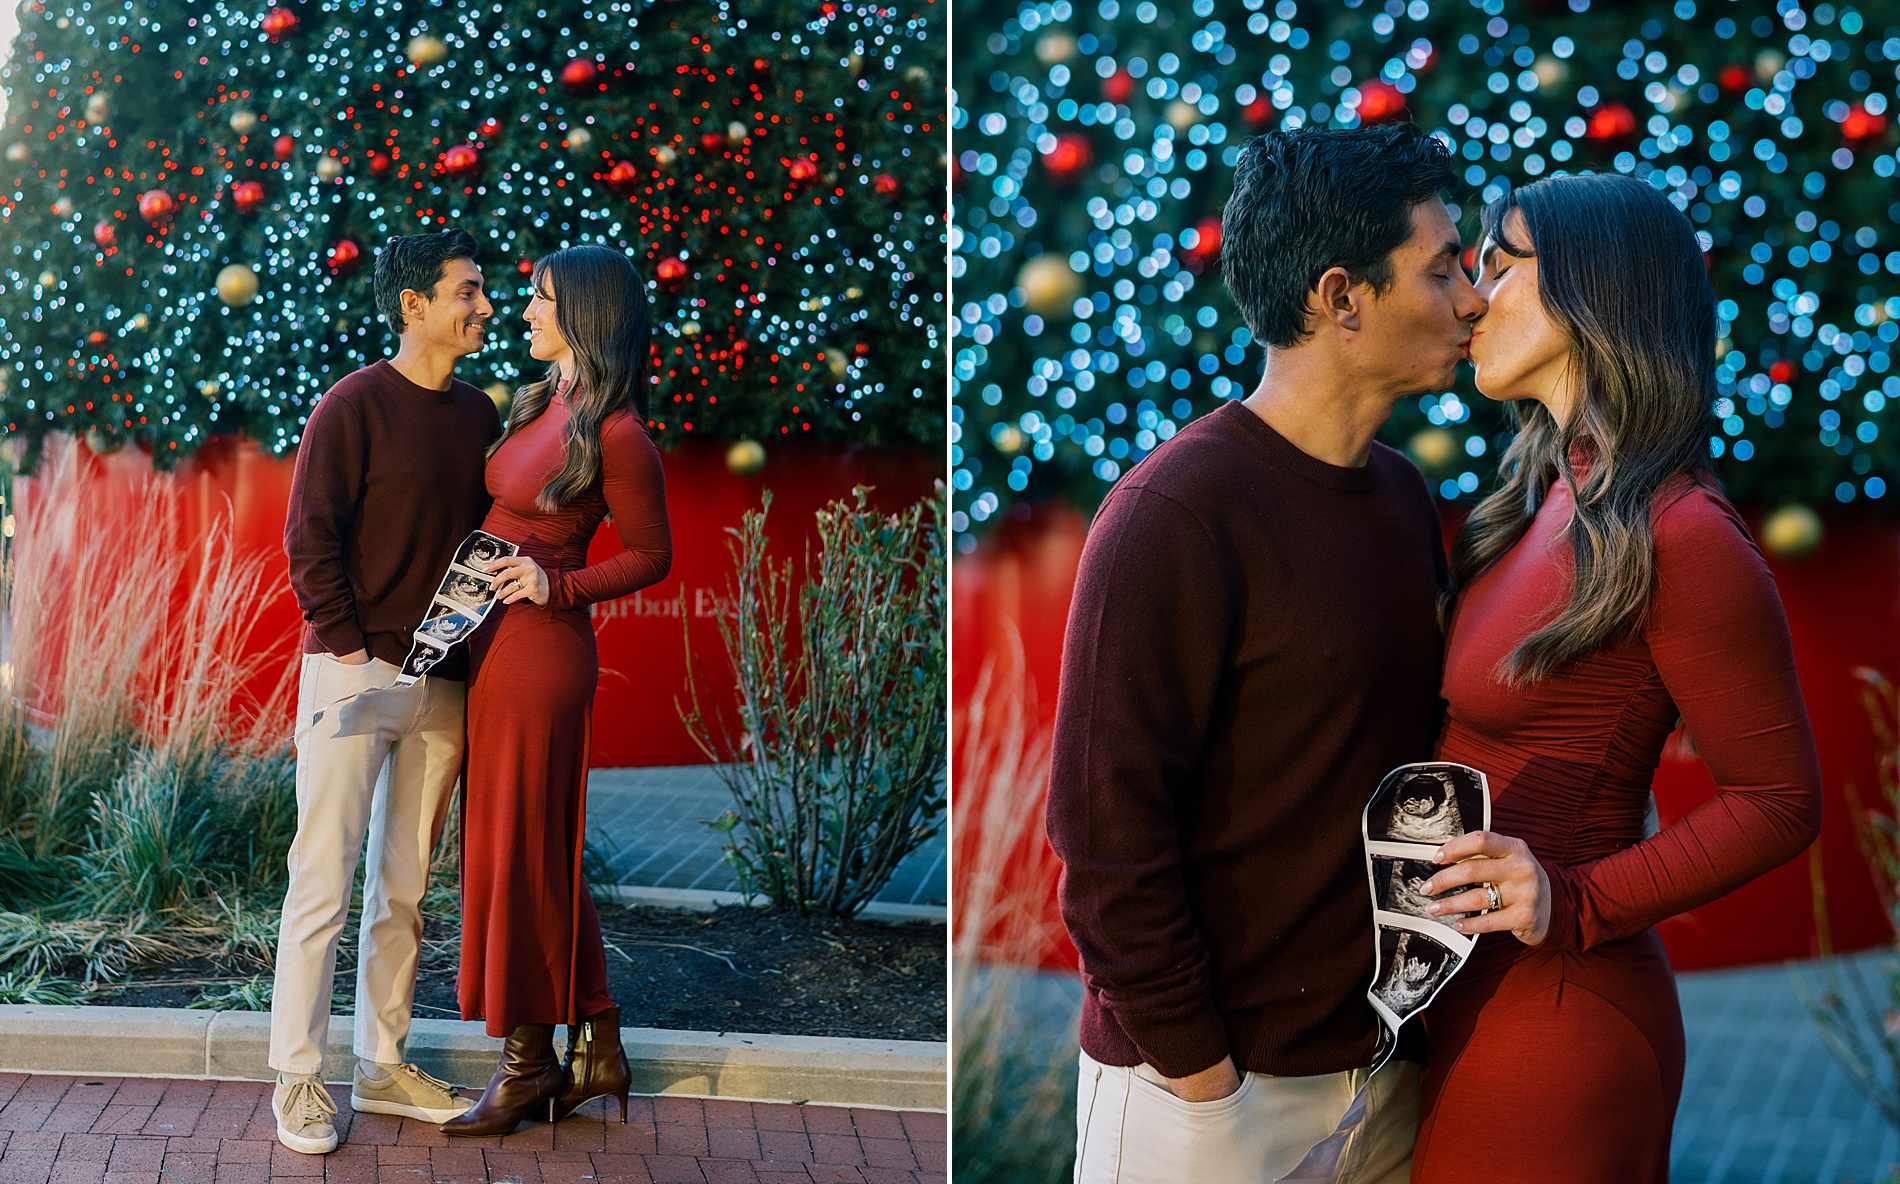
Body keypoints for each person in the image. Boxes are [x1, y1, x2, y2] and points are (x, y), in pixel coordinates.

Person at [1045, 123, 1484, 1184]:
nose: (1472, 296)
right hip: (1205, 1099)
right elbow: (1104, 840)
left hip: (1377, 1075)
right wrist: (1204, 1083)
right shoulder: (1174, 513)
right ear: (1341, 297)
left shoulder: (1398, 496)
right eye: (1442, 268)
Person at [1409, 173, 1824, 1182]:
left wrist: (1575, 899)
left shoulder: (1683, 534)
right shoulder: (1547, 491)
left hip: (1556, 1028)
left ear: (1595, 292)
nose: (1472, 292)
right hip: (1455, 997)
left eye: (1498, 264)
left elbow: (1779, 800)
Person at [271, 229, 501, 1154]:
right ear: (414, 303)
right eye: (468, 291)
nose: (484, 306)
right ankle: (296, 1078)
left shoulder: (482, 414)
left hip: (445, 681)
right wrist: (352, 645)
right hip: (355, 670)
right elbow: (308, 536)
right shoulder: (353, 404)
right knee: (322, 877)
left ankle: (382, 1066)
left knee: (403, 887)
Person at [441, 245, 672, 1136]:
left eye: (538, 301)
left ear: (582, 315)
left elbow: (653, 555)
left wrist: (556, 585)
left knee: (522, 854)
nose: (522, 312)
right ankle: (601, 1045)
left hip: (541, 654)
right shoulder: (545, 402)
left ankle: (529, 1066)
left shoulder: (614, 432)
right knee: (526, 848)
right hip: (490, 647)